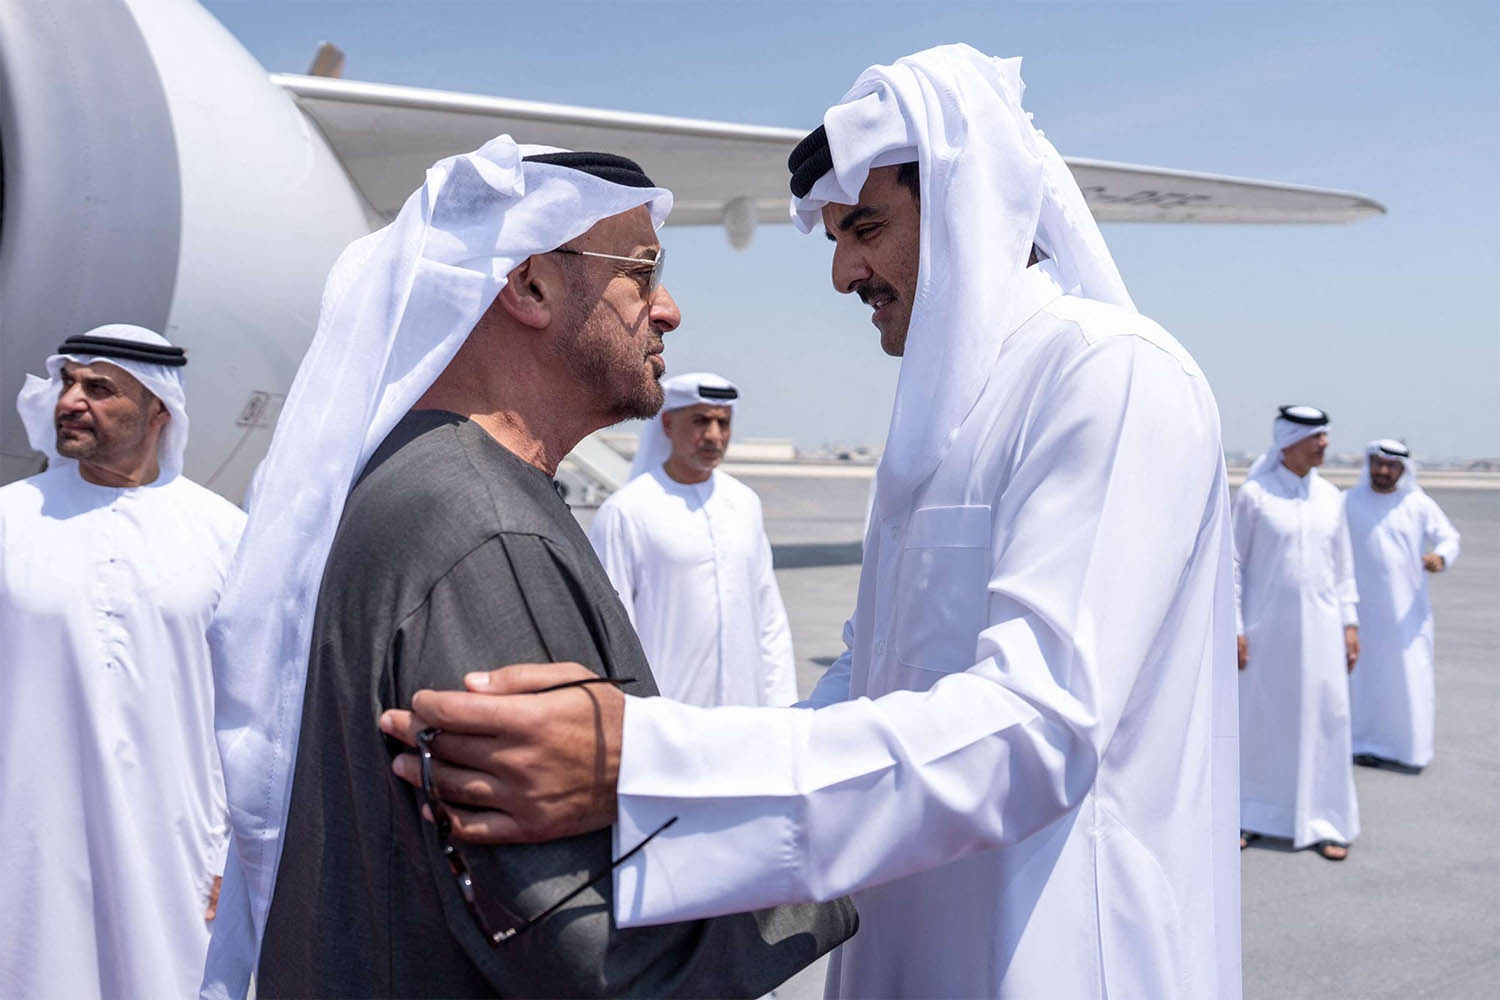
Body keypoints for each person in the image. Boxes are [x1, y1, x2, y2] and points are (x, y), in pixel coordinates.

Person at [382, 46, 1242, 999]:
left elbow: (1038, 728)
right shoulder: (952, 415)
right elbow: (876, 672)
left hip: (1058, 944)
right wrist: (651, 780)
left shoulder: (1110, 377)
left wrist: (650, 762)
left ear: (969, 205)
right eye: (835, 236)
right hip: (908, 929)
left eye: (865, 228)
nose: (844, 273)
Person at [200, 140, 853, 1000]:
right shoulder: (481, 529)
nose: (670, 311)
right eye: (642, 274)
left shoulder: (441, 484)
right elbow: (605, 953)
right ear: (531, 286)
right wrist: (851, 846)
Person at [0, 325, 244, 1000]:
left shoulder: (225, 534)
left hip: (176, 846)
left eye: (99, 388)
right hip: (26, 845)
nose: (71, 401)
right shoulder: (8, 521)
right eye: (68, 382)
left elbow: (253, 711)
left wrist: (235, 852)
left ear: (160, 409)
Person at [591, 372, 798, 708]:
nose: (714, 436)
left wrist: (781, 707)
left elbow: (768, 616)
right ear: (669, 425)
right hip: (665, 720)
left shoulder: (744, 503)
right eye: (701, 421)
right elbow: (611, 631)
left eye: (723, 423)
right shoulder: (627, 511)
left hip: (746, 721)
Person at [1234, 405, 1361, 860]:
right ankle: (1249, 816)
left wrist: (1350, 624)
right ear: (1290, 441)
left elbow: (1344, 569)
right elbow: (1233, 565)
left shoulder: (1332, 498)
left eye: (1325, 437)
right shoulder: (1255, 495)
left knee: (1326, 723)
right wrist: (1234, 626)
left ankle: (1326, 821)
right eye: (1317, 438)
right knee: (1263, 726)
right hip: (1266, 636)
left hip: (1324, 635)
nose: (1325, 445)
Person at [1345, 439, 1460, 770]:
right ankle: (1359, 744)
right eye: (1377, 463)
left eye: (1391, 465)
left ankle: (1406, 751)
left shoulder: (1418, 504)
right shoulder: (1347, 502)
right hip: (1359, 614)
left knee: (1408, 679)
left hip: (1405, 617)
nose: (1383, 471)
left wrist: (1441, 556)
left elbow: (1449, 537)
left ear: (1403, 469)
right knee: (1360, 681)